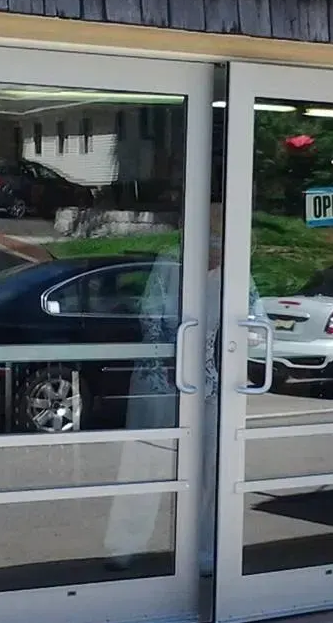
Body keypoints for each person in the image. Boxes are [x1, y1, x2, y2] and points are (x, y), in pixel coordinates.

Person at [103, 221, 262, 577]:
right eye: (214, 239)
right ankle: (125, 547)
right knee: (144, 463)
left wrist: (240, 337)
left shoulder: (235, 274)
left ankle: (205, 551)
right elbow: (152, 318)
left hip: (212, 384)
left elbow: (256, 324)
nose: (218, 249)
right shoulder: (172, 264)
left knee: (212, 469)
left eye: (224, 241)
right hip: (161, 381)